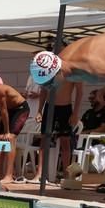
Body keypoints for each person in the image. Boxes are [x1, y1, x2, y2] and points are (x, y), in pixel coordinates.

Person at [31, 47, 84, 179]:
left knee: (65, 142)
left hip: (65, 108)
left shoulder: (73, 70)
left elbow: (80, 92)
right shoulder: (50, 68)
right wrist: (39, 110)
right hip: (50, 108)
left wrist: (76, 113)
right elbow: (43, 90)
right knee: (44, 141)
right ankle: (40, 174)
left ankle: (67, 174)